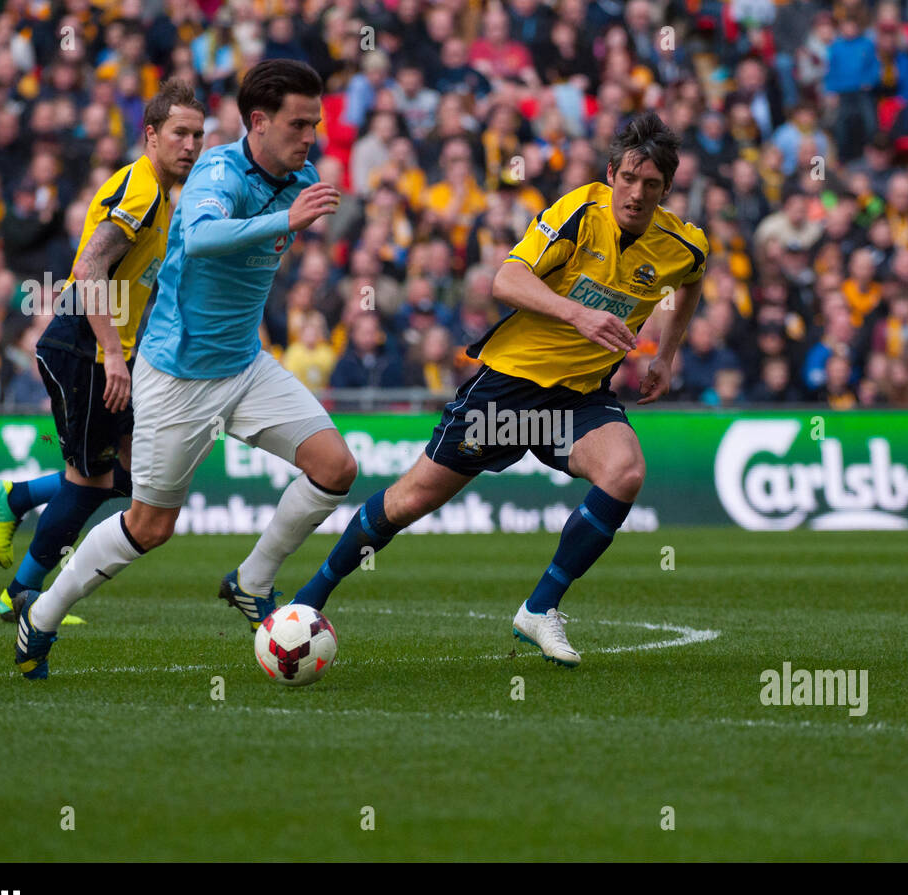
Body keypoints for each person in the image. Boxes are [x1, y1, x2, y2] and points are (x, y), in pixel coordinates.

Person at [291, 113, 708, 667]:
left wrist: (668, 356)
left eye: (650, 185)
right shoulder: (580, 211)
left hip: (579, 396)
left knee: (626, 470)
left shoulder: (683, 244)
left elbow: (691, 281)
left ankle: (540, 609)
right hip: (509, 389)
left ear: (666, 189)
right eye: (628, 178)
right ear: (611, 174)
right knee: (411, 500)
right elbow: (505, 280)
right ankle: (308, 600)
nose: (635, 193)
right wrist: (579, 315)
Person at [12, 61, 357, 679]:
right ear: (259, 122)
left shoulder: (300, 177)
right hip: (178, 376)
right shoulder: (216, 173)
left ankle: (253, 581)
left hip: (245, 365)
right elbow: (196, 239)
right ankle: (40, 618)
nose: (311, 137)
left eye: (316, 123)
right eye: (298, 123)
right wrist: (287, 220)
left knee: (336, 468)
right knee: (149, 527)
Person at [0, 80, 206, 623]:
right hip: (82, 349)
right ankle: (19, 598)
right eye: (180, 133)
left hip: (108, 353)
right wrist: (111, 353)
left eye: (199, 135)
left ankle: (13, 497)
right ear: (151, 135)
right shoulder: (143, 190)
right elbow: (88, 269)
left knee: (134, 480)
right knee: (90, 485)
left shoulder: (163, 197)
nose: (191, 145)